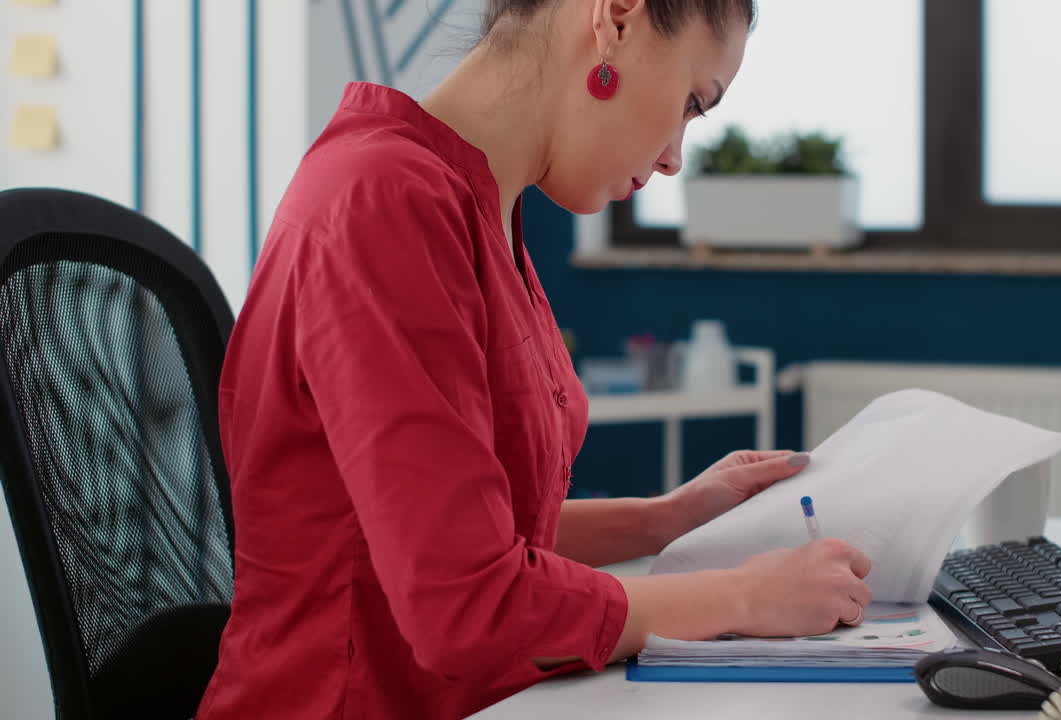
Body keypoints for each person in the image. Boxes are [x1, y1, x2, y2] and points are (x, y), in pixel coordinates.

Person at [195, 0, 872, 718]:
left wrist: (664, 521)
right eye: (692, 103)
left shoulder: (475, 205)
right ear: (615, 17)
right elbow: (467, 607)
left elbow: (481, 533)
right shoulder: (383, 203)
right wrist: (747, 597)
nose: (675, 155)